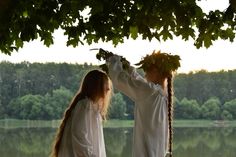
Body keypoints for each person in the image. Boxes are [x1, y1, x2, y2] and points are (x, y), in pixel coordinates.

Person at [106, 50, 181, 157]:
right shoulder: (163, 95)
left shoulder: (150, 91)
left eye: (147, 70)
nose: (145, 74)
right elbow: (141, 84)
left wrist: (114, 61)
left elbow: (119, 80)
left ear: (155, 71)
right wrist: (130, 70)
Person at [50, 69, 112, 157]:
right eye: (105, 84)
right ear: (96, 86)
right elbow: (80, 137)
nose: (108, 88)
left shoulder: (91, 107)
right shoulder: (85, 105)